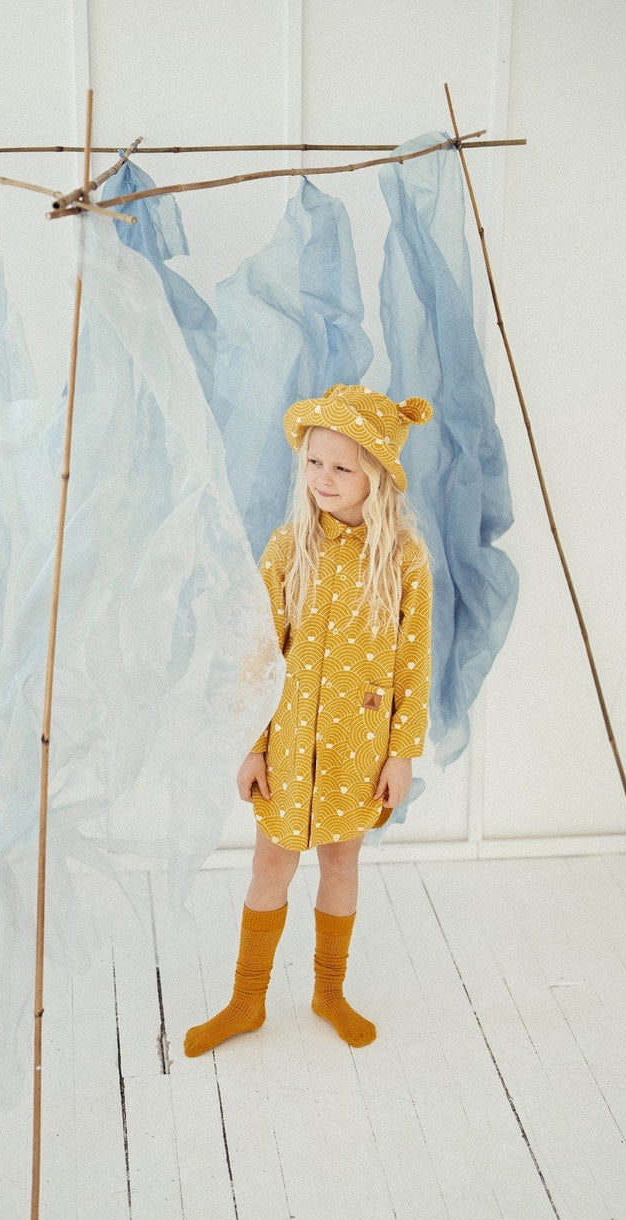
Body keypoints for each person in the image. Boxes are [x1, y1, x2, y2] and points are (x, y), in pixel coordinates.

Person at [184, 384, 434, 1057]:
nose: (324, 477)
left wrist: (402, 751)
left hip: (360, 747)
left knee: (341, 860)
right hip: (289, 746)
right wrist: (252, 745)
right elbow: (259, 655)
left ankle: (329, 990)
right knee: (271, 863)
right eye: (315, 462)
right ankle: (247, 999)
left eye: (342, 467)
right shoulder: (289, 546)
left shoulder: (404, 559)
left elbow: (414, 663)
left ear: (376, 476)